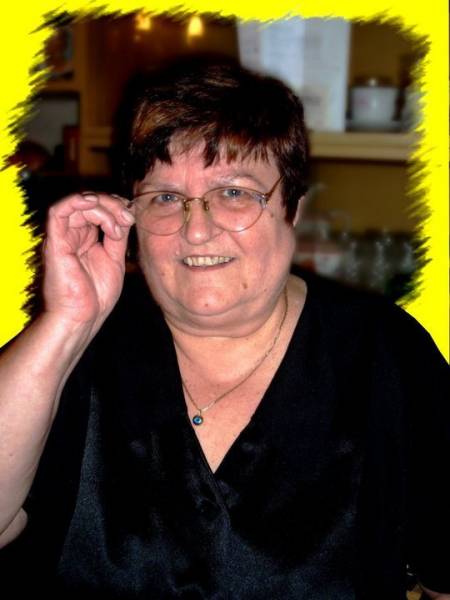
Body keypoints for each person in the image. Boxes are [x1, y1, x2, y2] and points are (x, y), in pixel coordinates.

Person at [0, 58, 448, 600]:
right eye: (166, 198)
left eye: (234, 193)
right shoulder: (82, 345)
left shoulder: (385, 353)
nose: (196, 229)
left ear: (293, 209)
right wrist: (66, 323)